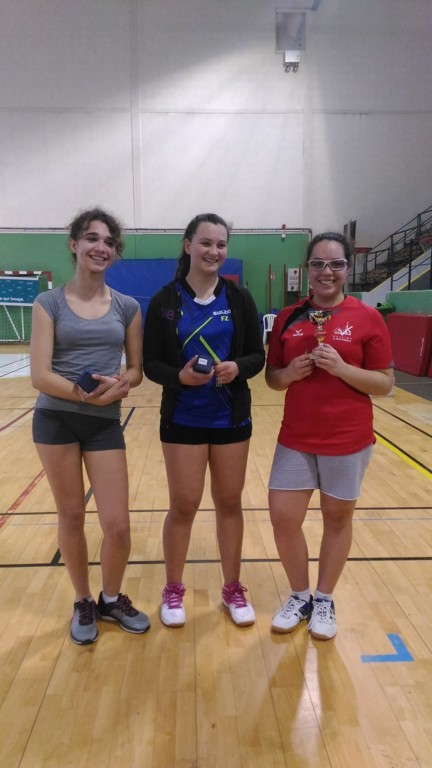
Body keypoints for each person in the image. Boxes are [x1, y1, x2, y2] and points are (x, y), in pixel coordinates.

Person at [30, 207, 150, 645]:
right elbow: (40, 375)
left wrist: (123, 383)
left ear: (115, 252)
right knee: (72, 515)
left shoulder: (127, 307)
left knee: (117, 524)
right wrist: (82, 395)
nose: (101, 247)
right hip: (56, 420)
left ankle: (110, 598)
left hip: (104, 424)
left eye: (109, 242)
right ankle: (82, 599)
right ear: (75, 244)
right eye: (92, 238)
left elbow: (135, 369)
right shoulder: (48, 304)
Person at [266, 232, 394, 640]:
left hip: (347, 438)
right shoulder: (288, 317)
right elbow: (272, 378)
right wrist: (289, 373)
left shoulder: (368, 317)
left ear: (347, 269)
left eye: (336, 264)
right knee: (283, 517)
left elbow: (385, 383)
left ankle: (324, 599)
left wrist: (341, 369)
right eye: (319, 263)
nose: (327, 271)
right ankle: (300, 595)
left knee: (337, 519)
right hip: (296, 437)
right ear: (307, 269)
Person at [143, 213, 265, 628]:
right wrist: (178, 377)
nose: (214, 251)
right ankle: (172, 589)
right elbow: (151, 363)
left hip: (231, 419)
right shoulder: (165, 301)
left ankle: (232, 588)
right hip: (183, 420)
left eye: (221, 244)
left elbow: (257, 356)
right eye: (206, 243)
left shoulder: (239, 298)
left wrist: (238, 367)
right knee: (184, 505)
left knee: (229, 503)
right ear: (188, 245)